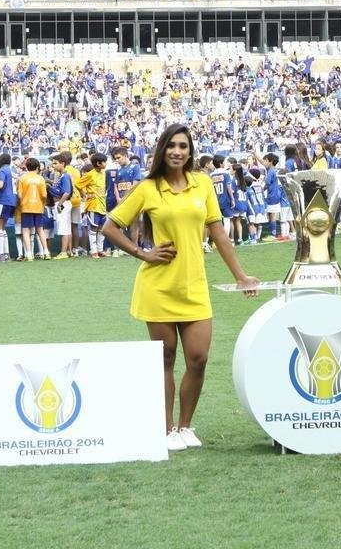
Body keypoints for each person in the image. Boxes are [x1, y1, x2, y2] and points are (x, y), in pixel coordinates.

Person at [101, 123, 259, 453]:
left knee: (198, 359)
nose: (177, 151)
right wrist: (142, 253)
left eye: (183, 146)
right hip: (158, 287)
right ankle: (166, 428)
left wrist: (241, 276)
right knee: (166, 358)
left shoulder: (202, 184)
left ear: (190, 151)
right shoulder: (148, 187)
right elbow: (110, 226)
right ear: (163, 149)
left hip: (194, 287)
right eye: (172, 145)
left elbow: (218, 234)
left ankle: (185, 426)